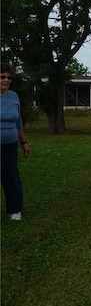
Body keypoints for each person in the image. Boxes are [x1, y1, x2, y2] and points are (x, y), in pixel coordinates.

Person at [1, 62, 31, 220]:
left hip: (10, 145)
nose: (6, 80)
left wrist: (24, 143)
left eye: (8, 77)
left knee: (11, 176)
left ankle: (15, 210)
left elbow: (18, 121)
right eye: (2, 77)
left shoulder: (14, 96)